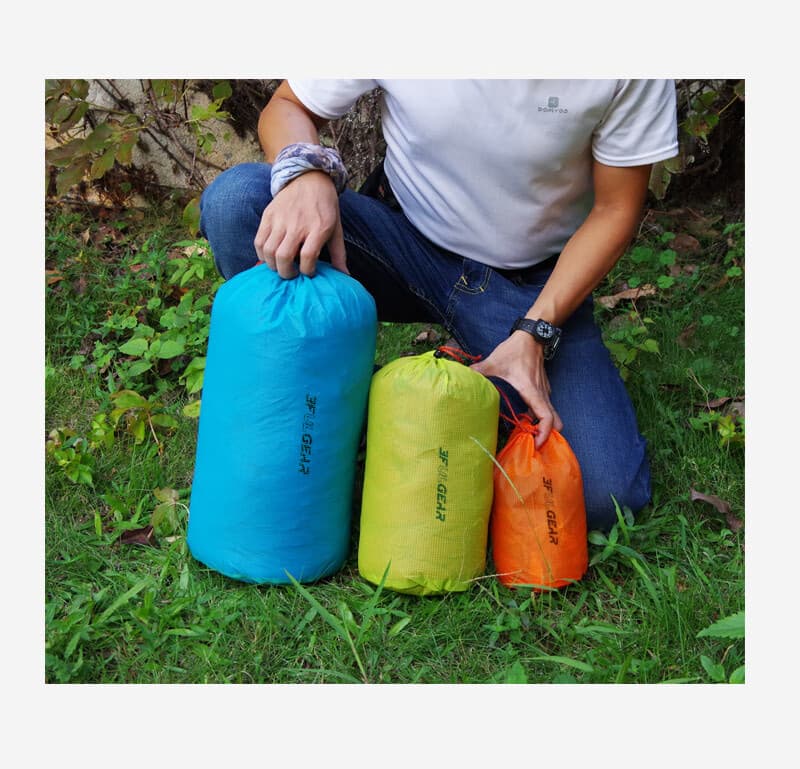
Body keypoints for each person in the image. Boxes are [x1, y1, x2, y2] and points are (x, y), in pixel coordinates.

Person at [199, 79, 679, 532]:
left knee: (602, 494)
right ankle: (313, 405)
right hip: (399, 240)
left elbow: (616, 209)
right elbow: (288, 106)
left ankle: (425, 409)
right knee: (238, 201)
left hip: (530, 287)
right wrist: (306, 171)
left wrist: (538, 330)